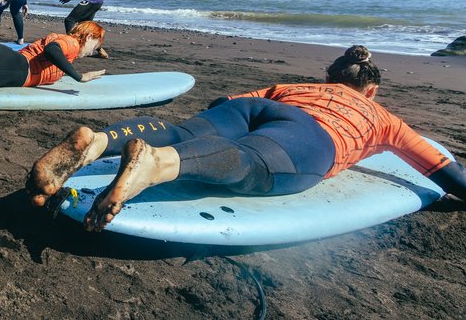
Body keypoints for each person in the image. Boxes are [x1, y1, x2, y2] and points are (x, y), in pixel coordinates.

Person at [27, 45, 466, 232]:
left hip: (261, 107)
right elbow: (443, 170)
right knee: (249, 161)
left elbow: (227, 100)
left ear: (328, 78)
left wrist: (230, 115)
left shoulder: (297, 85)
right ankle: (158, 165)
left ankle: (99, 142)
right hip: (313, 136)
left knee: (182, 132)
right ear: (371, 91)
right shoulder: (383, 118)